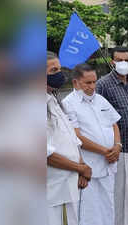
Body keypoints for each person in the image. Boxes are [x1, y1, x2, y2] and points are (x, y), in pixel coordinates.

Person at [62, 63, 121, 225]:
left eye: (94, 82)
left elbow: (114, 124)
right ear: (75, 83)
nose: (92, 86)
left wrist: (117, 147)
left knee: (108, 207)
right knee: (89, 212)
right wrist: (105, 151)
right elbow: (76, 136)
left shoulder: (100, 99)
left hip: (109, 165)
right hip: (89, 168)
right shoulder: (68, 103)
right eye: (87, 83)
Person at [95, 47, 128, 225]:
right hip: (118, 147)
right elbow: (97, 115)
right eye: (119, 60)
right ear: (112, 62)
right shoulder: (103, 84)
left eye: (126, 60)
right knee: (119, 192)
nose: (123, 63)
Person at [47, 51, 92, 225]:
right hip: (54, 190)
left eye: (59, 69)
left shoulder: (53, 99)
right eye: (53, 70)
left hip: (68, 183)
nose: (59, 74)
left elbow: (71, 139)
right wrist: (79, 168)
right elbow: (45, 153)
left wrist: (80, 165)